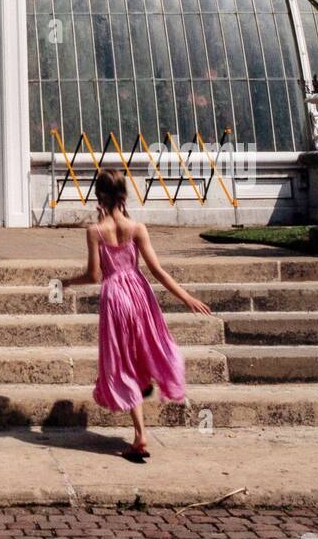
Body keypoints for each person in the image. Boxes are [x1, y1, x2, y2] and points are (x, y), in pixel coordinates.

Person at [60, 168, 213, 460]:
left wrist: (67, 282)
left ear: (99, 196)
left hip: (114, 298)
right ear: (125, 195)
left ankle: (141, 433)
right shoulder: (138, 228)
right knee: (146, 353)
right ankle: (141, 428)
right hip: (139, 295)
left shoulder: (95, 232)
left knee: (123, 363)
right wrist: (186, 298)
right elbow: (158, 271)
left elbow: (93, 275)